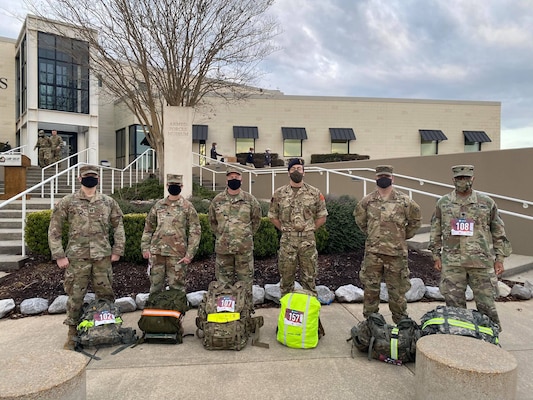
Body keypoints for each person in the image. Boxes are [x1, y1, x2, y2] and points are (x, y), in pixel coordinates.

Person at [48, 165, 125, 350]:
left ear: (98, 179)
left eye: (93, 176)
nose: (90, 179)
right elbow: (54, 229)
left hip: (102, 257)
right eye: (86, 176)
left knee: (105, 295)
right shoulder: (68, 202)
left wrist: (118, 249)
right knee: (75, 296)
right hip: (77, 257)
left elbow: (118, 227)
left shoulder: (108, 202)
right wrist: (59, 255)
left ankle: (105, 329)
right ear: (79, 178)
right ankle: (72, 333)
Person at [428, 165, 512, 329]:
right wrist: (436, 256)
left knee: (486, 305)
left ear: (473, 179)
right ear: (453, 180)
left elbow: (498, 231)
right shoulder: (443, 203)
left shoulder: (486, 202)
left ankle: (491, 337)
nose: (463, 181)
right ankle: (462, 340)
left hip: (480, 262)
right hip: (453, 263)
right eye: (459, 178)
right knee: (454, 307)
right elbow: (435, 230)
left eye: (466, 178)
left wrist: (500, 258)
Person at [354, 165, 421, 324]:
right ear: (376, 179)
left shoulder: (405, 201)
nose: (383, 179)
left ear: (392, 178)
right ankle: (371, 323)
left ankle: (401, 324)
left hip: (396, 255)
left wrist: (401, 237)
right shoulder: (367, 201)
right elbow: (360, 220)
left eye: (386, 176)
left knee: (397, 293)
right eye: (380, 176)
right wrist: (373, 234)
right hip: (373, 254)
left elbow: (415, 221)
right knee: (371, 291)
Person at [268, 158, 328, 297]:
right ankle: (286, 314)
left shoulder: (314, 192)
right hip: (288, 242)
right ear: (288, 172)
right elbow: (272, 215)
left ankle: (310, 315)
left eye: (299, 168)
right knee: (286, 280)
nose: (296, 171)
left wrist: (310, 229)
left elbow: (322, 216)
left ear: (304, 172)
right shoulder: (279, 193)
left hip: (308, 242)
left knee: (309, 280)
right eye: (293, 169)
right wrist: (283, 228)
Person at [141, 174, 201, 296]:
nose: (174, 187)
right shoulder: (158, 205)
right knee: (155, 289)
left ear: (182, 186)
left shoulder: (187, 207)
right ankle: (154, 313)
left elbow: (195, 231)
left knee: (177, 290)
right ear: (167, 186)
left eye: (177, 185)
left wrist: (190, 254)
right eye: (171, 185)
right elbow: (148, 228)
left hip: (177, 255)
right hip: (157, 254)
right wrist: (145, 248)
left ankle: (176, 314)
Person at [208, 166, 262, 301]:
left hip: (244, 250)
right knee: (223, 284)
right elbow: (213, 222)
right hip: (223, 250)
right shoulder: (217, 200)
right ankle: (224, 315)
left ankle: (246, 313)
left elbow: (256, 220)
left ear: (241, 179)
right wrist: (222, 236)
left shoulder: (250, 200)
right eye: (231, 177)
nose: (234, 179)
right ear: (226, 180)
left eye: (236, 177)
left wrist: (245, 235)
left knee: (245, 283)